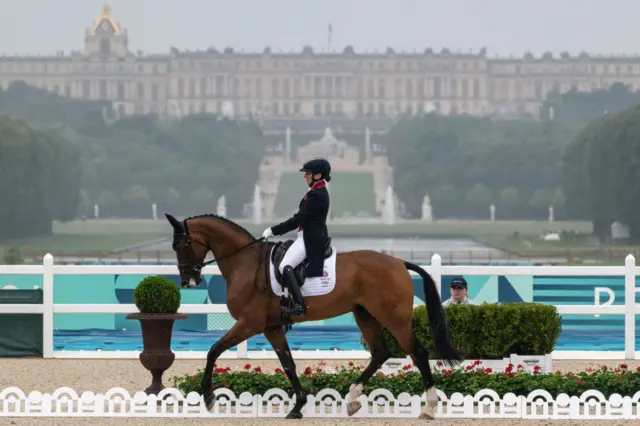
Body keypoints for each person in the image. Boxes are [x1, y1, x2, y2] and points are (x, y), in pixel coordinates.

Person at [261, 158, 331, 317]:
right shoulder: (315, 191)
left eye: (308, 173)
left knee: (284, 266)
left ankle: (299, 305)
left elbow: (299, 219)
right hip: (306, 235)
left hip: (310, 238)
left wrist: (274, 230)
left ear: (318, 175)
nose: (305, 176)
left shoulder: (317, 195)